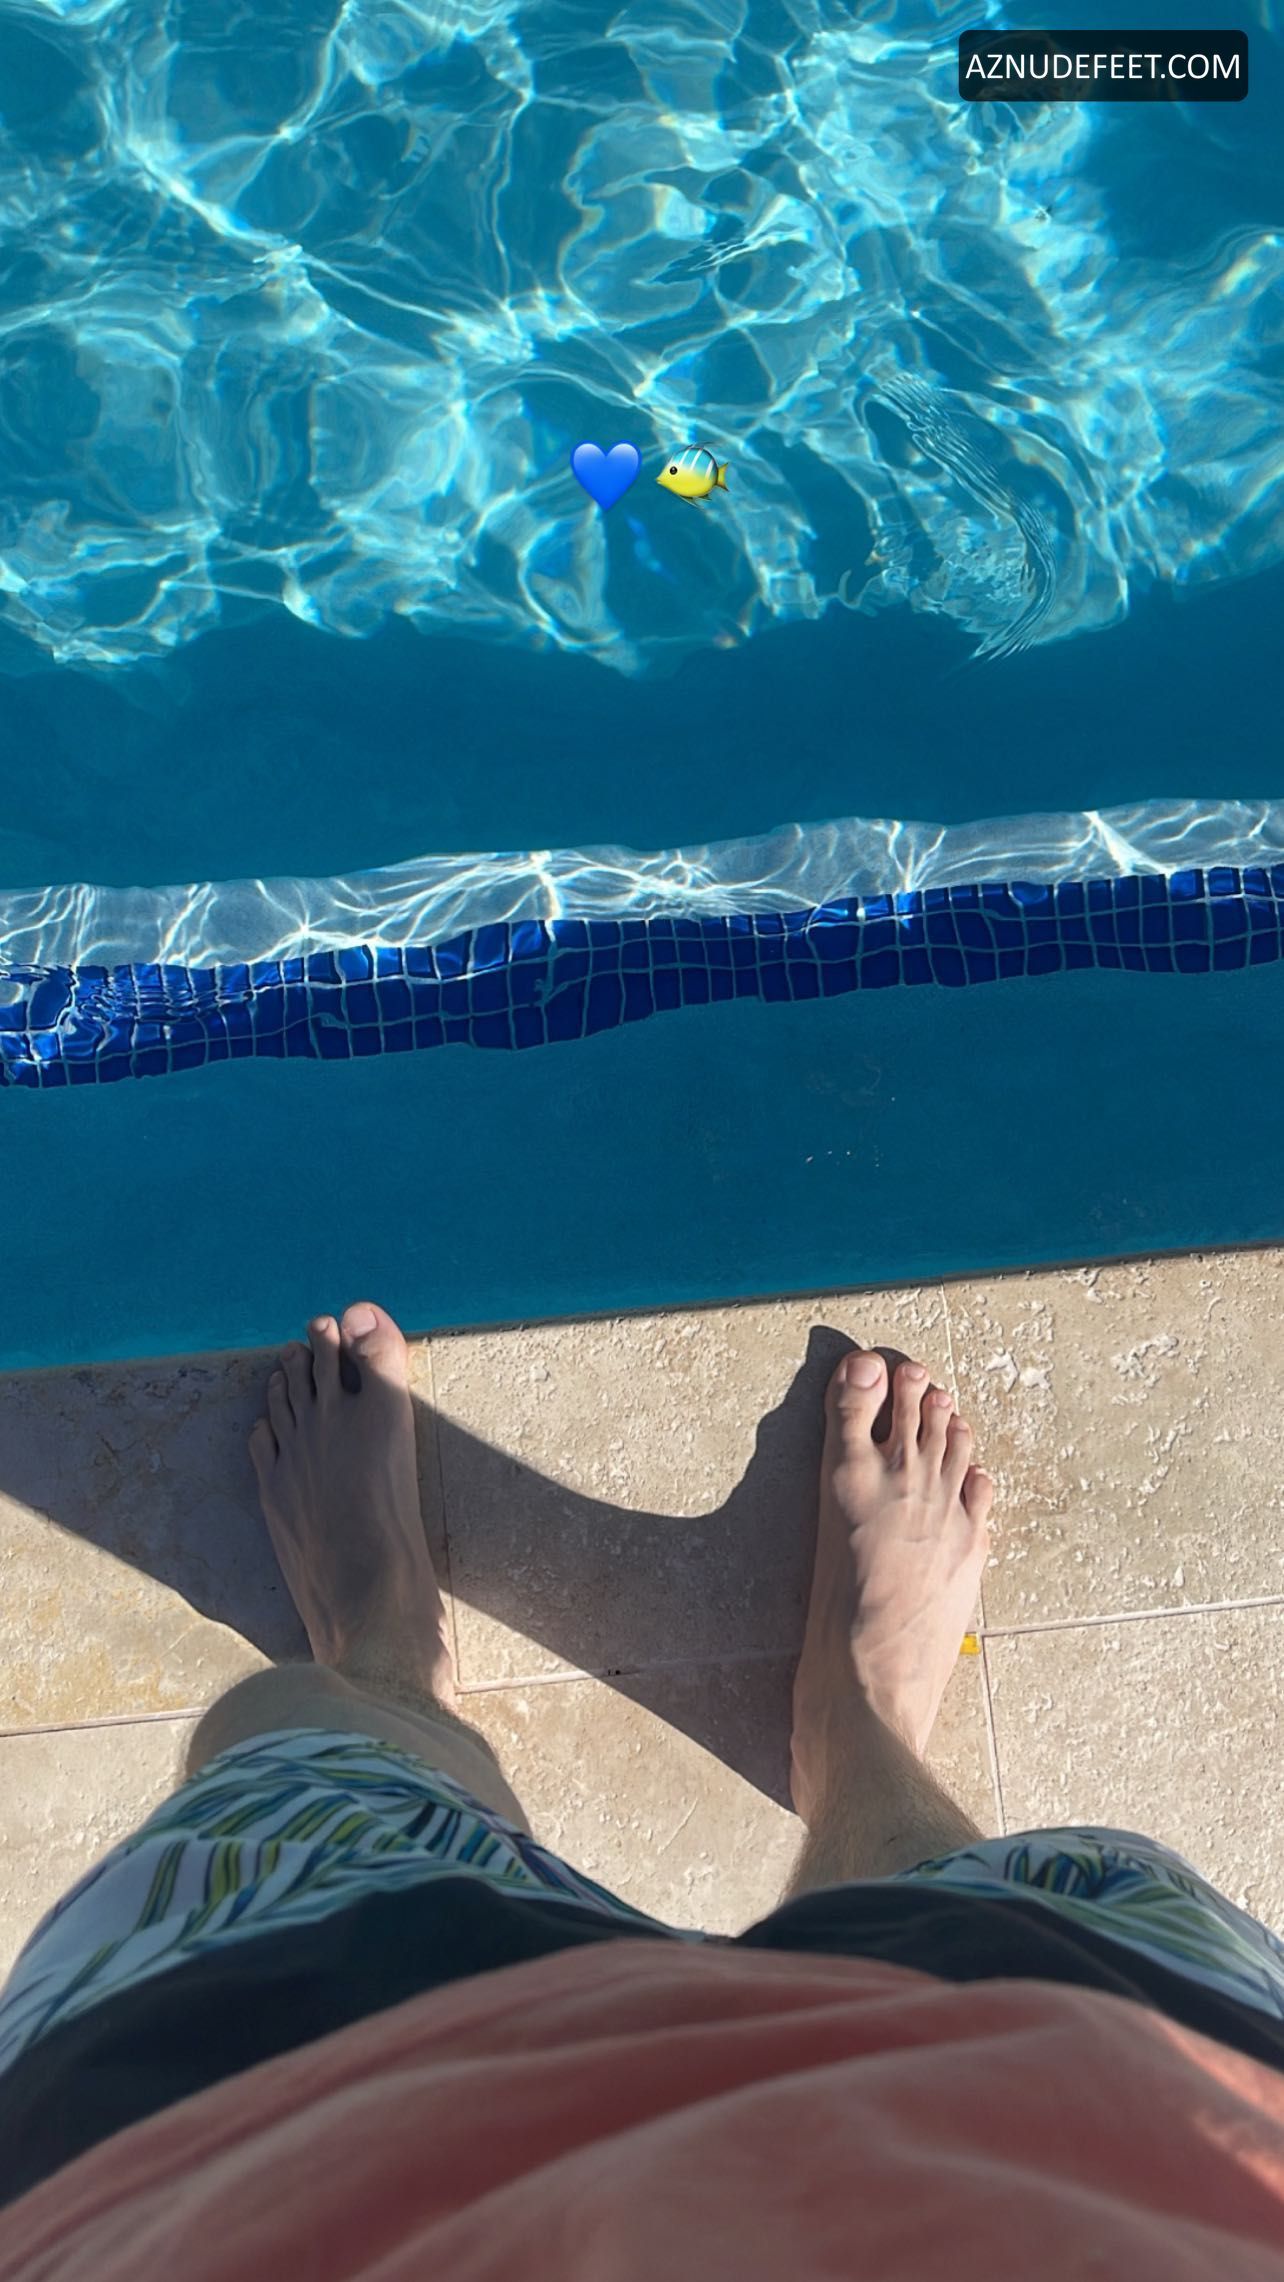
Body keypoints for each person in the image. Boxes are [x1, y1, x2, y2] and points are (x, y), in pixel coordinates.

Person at [1, 1302, 1283, 2277]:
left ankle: (385, 1643)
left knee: (304, 1763)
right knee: (984, 1919)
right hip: (1108, 2159)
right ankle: (856, 1724)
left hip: (253, 2166)